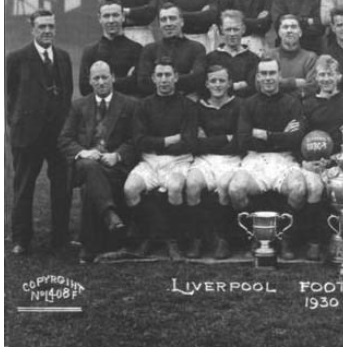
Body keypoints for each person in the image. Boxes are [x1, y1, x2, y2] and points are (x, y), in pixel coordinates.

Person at [7, 9, 73, 254]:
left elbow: (67, 93)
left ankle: (61, 238)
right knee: (24, 186)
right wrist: (16, 124)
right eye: (42, 26)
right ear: (32, 29)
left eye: (50, 26)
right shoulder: (17, 57)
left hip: (57, 135)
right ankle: (21, 239)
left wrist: (65, 129)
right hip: (28, 134)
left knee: (62, 186)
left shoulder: (63, 57)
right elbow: (9, 96)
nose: (47, 31)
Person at [58, 61, 138, 263]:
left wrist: (117, 155)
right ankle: (109, 214)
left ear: (113, 77)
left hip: (114, 166)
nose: (101, 82)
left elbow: (135, 140)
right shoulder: (79, 105)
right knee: (90, 167)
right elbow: (65, 139)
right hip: (85, 164)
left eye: (104, 77)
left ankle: (89, 245)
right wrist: (84, 152)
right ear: (90, 81)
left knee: (91, 184)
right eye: (96, 78)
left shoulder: (129, 104)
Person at [229, 58, 307, 259]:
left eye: (272, 73)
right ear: (257, 77)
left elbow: (296, 139)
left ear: (279, 75)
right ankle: (256, 235)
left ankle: (285, 237)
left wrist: (265, 135)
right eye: (263, 73)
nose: (268, 78)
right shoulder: (248, 104)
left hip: (285, 158)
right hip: (255, 159)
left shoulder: (292, 103)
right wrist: (281, 135)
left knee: (298, 189)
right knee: (236, 189)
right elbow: (244, 140)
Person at [124, 58, 198, 260]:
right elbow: (139, 141)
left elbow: (189, 142)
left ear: (176, 77)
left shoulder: (188, 106)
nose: (164, 79)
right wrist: (168, 140)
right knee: (130, 189)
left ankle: (174, 240)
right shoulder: (143, 105)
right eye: (160, 75)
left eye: (168, 75)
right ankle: (147, 236)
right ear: (153, 78)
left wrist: (155, 142)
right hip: (150, 160)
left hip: (179, 160)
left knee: (175, 187)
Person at [301, 55, 343, 260]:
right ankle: (314, 241)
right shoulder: (307, 104)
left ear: (338, 76)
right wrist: (307, 161)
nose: (326, 79)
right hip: (315, 162)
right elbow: (301, 136)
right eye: (322, 75)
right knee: (314, 187)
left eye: (330, 74)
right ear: (316, 78)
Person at [184, 64, 243, 260]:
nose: (217, 84)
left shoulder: (240, 105)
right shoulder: (197, 108)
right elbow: (195, 143)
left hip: (232, 160)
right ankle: (196, 239)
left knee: (225, 186)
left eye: (222, 81)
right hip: (205, 159)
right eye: (213, 81)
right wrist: (225, 138)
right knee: (192, 184)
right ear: (207, 84)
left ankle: (223, 240)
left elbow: (240, 142)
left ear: (229, 83)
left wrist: (210, 141)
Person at [137, 3, 206, 97]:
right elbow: (143, 82)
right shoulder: (149, 50)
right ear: (159, 24)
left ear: (182, 22)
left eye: (172, 18)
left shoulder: (196, 48)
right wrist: (185, 78)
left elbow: (198, 79)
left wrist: (160, 80)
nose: (168, 23)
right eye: (163, 20)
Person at [79, 0, 142, 96]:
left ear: (123, 17)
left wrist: (100, 83)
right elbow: (85, 89)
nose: (111, 20)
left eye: (115, 15)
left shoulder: (137, 50)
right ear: (99, 18)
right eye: (106, 16)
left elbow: (138, 85)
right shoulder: (90, 52)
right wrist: (125, 80)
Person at [205, 10, 259, 98]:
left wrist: (223, 87)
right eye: (228, 29)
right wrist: (237, 86)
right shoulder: (211, 58)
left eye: (235, 29)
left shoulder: (253, 59)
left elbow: (253, 89)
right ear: (222, 30)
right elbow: (207, 88)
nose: (232, 34)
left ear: (243, 29)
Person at [265, 14, 318, 100]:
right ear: (279, 33)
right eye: (285, 27)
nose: (289, 31)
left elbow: (311, 88)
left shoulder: (310, 57)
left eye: (293, 27)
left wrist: (281, 82)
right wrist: (293, 82)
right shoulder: (270, 55)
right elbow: (264, 84)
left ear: (300, 33)